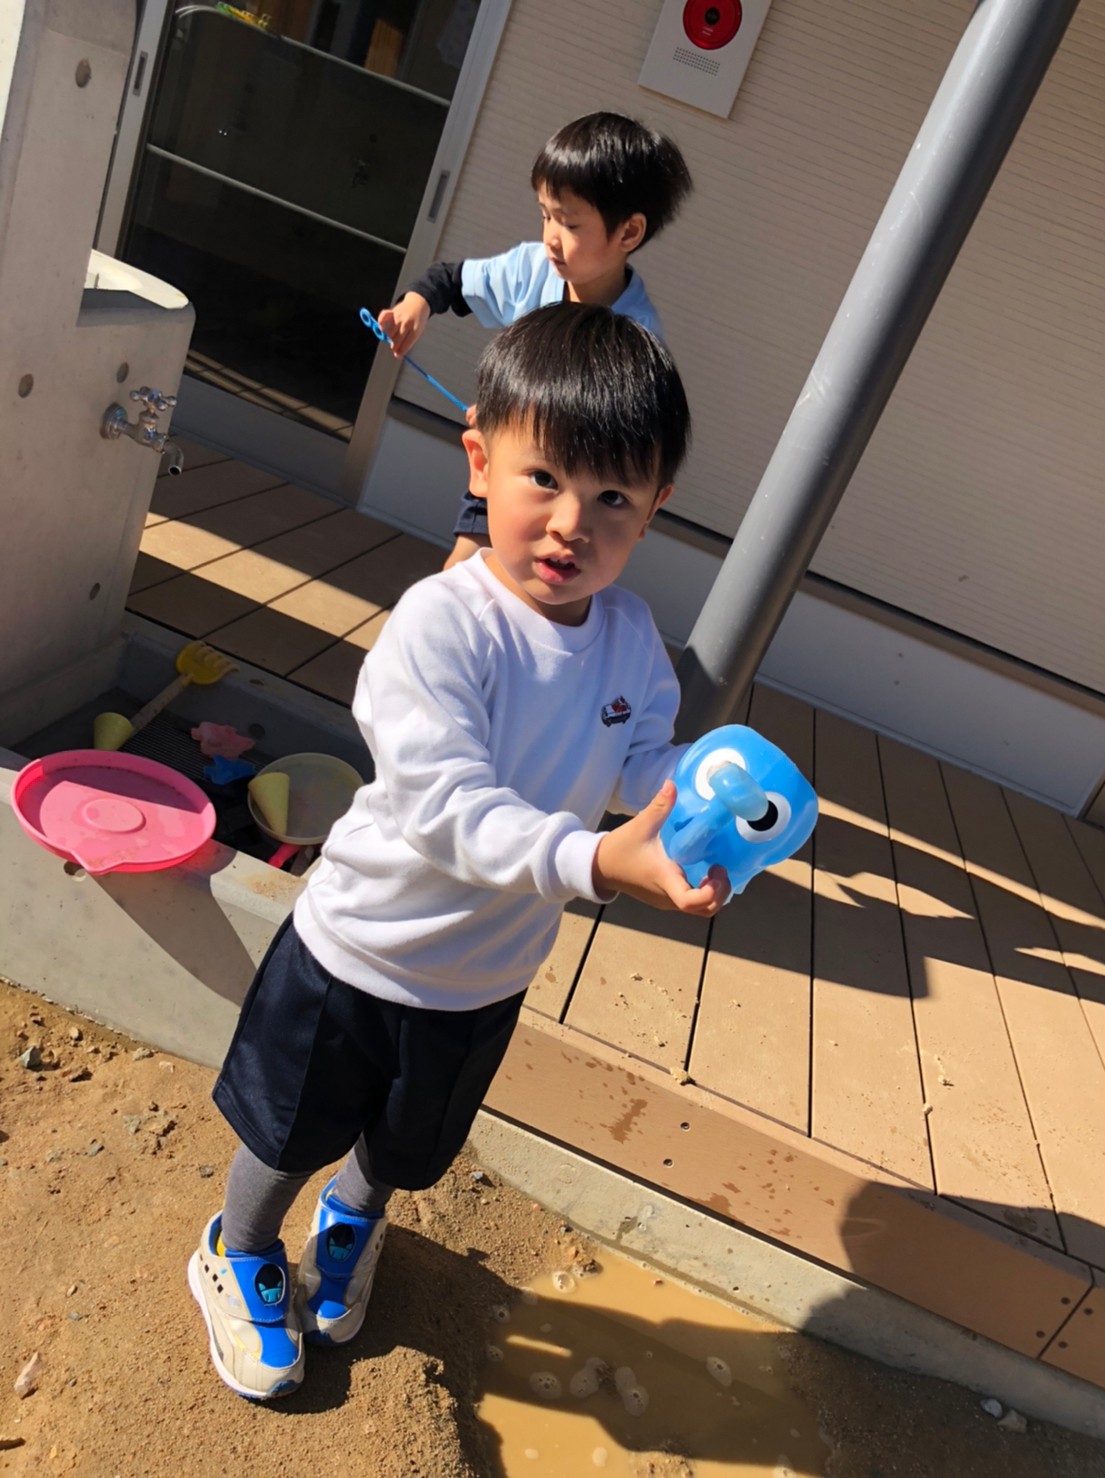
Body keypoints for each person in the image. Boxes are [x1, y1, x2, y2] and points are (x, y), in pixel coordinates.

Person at [188, 303, 727, 1402]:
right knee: (289, 1127)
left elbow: (640, 759)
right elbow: (446, 805)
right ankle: (236, 1248)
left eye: (613, 499)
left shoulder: (629, 637)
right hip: (359, 952)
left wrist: (700, 792)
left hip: (484, 973)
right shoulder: (443, 624)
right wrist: (593, 863)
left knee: (404, 1140)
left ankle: (351, 1221)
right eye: (546, 479)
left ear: (655, 506)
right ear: (481, 460)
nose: (572, 524)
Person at [377, 111, 693, 570]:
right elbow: (451, 280)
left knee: (524, 591)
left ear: (628, 232)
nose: (550, 239)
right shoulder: (534, 269)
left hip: (572, 506)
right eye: (546, 216)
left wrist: (511, 416)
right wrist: (415, 305)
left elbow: (602, 435)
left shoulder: (635, 336)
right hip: (513, 473)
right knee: (463, 570)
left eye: (569, 224)